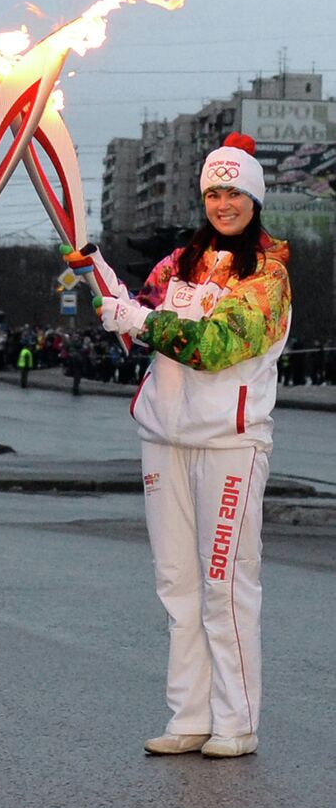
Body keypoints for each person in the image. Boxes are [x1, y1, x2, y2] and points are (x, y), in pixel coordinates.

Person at [93, 132, 291, 759]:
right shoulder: (176, 267)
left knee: (224, 584)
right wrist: (109, 299)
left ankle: (237, 721)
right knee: (176, 580)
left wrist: (142, 321)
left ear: (254, 198)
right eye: (213, 191)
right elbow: (142, 327)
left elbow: (217, 346)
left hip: (231, 443)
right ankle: (190, 715)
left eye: (234, 191)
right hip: (164, 439)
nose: (223, 202)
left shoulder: (269, 276)